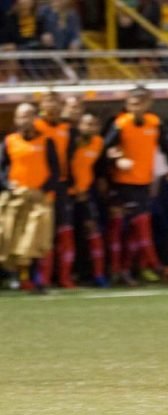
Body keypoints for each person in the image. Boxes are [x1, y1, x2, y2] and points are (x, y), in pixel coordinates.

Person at [103, 86, 168, 285]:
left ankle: (127, 270)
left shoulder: (154, 123)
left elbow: (166, 147)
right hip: (123, 184)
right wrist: (117, 159)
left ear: (148, 104)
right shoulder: (120, 124)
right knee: (136, 226)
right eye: (132, 104)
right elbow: (105, 148)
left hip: (144, 183)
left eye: (140, 103)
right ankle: (152, 266)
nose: (136, 107)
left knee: (136, 231)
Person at [0, 103, 59, 292]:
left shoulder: (46, 141)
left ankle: (34, 279)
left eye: (28, 116)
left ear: (36, 118)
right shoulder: (9, 141)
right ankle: (13, 277)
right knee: (10, 237)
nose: (25, 120)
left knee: (34, 240)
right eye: (21, 116)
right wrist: (9, 185)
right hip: (15, 198)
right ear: (16, 120)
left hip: (38, 200)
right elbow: (1, 169)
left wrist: (43, 190)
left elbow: (55, 171)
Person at [35, 91, 77, 288]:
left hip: (61, 186)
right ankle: (42, 277)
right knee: (44, 234)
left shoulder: (66, 128)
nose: (53, 105)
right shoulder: (36, 127)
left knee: (65, 232)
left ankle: (64, 277)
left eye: (57, 102)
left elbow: (69, 159)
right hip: (40, 187)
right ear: (42, 104)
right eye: (49, 101)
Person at [70, 112, 108, 287]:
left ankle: (97, 274)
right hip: (68, 194)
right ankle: (69, 274)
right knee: (68, 236)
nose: (90, 128)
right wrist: (74, 187)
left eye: (94, 124)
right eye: (87, 124)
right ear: (79, 125)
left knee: (92, 232)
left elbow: (97, 168)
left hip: (86, 194)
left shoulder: (99, 143)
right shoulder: (72, 143)